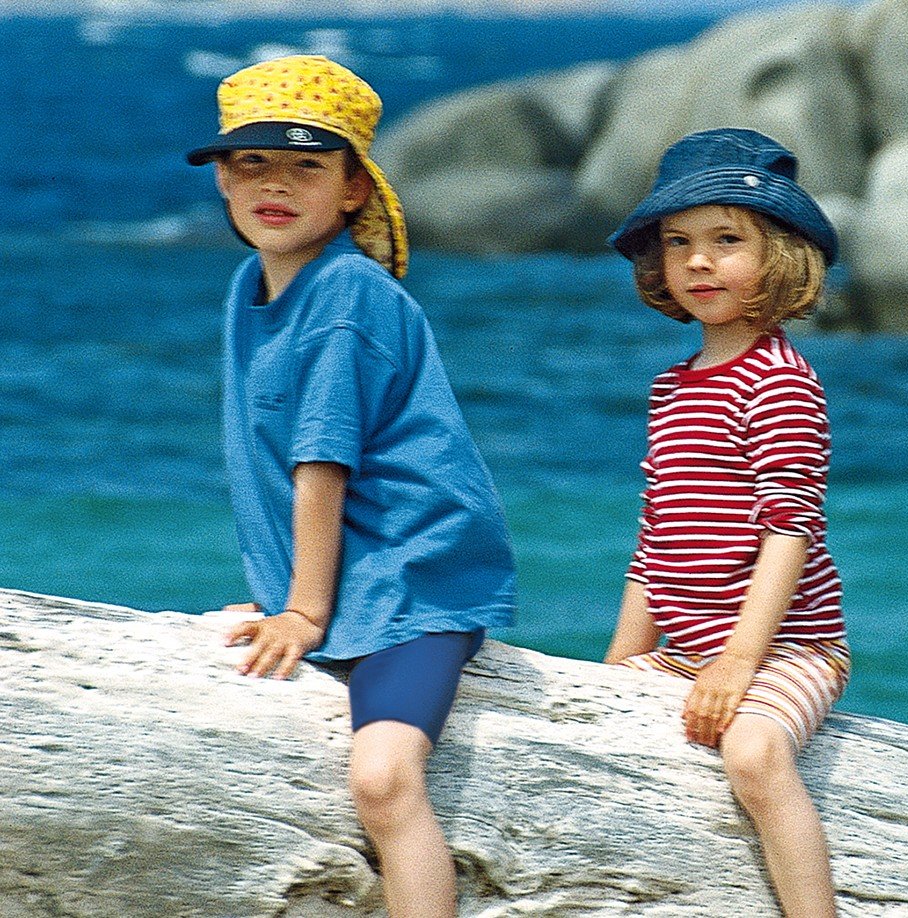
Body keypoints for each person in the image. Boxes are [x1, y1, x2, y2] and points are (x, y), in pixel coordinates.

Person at [187, 55, 516, 918]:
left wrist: (302, 612)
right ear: (222, 179)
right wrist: (283, 594)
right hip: (349, 585)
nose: (275, 186)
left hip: (413, 586)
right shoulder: (253, 285)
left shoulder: (343, 296)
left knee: (383, 781)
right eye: (251, 164)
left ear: (353, 191)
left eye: (307, 166)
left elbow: (321, 463)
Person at [602, 128, 849, 917]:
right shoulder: (672, 387)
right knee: (580, 719)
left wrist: (740, 664)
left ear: (780, 254)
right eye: (678, 243)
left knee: (751, 753)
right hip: (690, 653)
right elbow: (658, 534)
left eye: (725, 240)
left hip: (788, 646)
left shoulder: (778, 381)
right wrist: (617, 662)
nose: (698, 262)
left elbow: (788, 527)